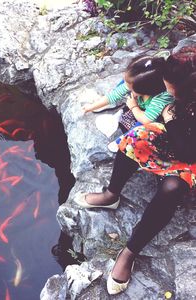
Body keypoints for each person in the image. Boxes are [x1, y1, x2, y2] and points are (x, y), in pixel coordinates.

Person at [75, 46, 196, 295]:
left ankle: (130, 251)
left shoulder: (184, 107)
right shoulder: (176, 94)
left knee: (172, 187)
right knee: (137, 136)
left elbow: (187, 152)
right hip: (177, 136)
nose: (164, 87)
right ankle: (112, 194)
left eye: (168, 84)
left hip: (190, 153)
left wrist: (170, 116)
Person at [84, 55, 174, 134]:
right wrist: (91, 107)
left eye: (131, 88)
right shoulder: (141, 79)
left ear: (146, 91)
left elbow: (146, 120)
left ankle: (124, 140)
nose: (126, 87)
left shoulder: (160, 97)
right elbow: (114, 94)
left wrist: (134, 107)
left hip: (152, 116)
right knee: (124, 84)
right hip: (141, 97)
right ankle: (113, 103)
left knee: (141, 128)